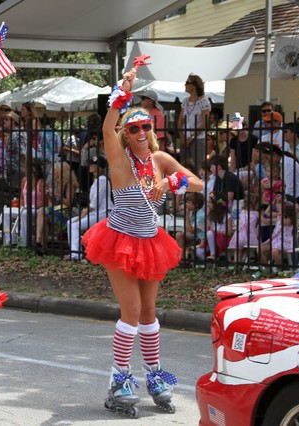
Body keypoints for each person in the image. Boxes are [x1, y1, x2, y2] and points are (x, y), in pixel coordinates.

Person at [81, 68, 203, 415]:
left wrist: (172, 182)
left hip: (151, 241)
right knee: (131, 311)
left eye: (145, 125)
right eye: (133, 127)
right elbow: (107, 128)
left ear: (153, 129)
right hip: (119, 239)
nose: (139, 131)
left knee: (149, 314)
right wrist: (122, 93)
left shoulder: (160, 160)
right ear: (125, 133)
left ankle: (154, 376)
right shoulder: (119, 159)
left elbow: (197, 183)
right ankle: (119, 379)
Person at [65, 155, 112, 260]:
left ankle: (76, 255)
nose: (90, 165)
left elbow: (95, 204)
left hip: (104, 212)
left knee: (75, 225)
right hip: (96, 212)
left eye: (93, 164)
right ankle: (74, 251)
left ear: (99, 166)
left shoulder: (102, 180)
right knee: (70, 223)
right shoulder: (96, 180)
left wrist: (82, 215)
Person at [177, 74, 211, 167]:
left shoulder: (204, 102)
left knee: (198, 165)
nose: (185, 85)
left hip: (198, 138)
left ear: (195, 86)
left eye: (187, 83)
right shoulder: (185, 101)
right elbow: (180, 121)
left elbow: (204, 123)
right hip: (185, 137)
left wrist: (191, 138)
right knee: (184, 166)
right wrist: (182, 137)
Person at [260, 195, 296, 265]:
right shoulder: (279, 215)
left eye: (278, 203)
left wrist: (281, 212)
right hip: (275, 240)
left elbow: (284, 223)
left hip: (284, 241)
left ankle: (280, 268)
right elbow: (267, 213)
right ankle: (267, 268)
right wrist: (272, 204)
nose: (276, 205)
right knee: (260, 249)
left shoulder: (288, 216)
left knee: (274, 252)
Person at [195, 191, 232, 261]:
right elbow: (208, 229)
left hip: (222, 240)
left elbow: (229, 232)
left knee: (210, 233)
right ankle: (212, 263)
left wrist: (216, 232)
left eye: (211, 203)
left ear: (217, 204)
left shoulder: (227, 216)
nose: (209, 205)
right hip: (212, 240)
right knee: (198, 252)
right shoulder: (211, 216)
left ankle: (213, 255)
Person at [228, 192, 260, 262]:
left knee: (237, 250)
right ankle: (243, 260)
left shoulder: (242, 212)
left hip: (239, 235)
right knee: (247, 247)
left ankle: (237, 263)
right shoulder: (256, 213)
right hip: (249, 236)